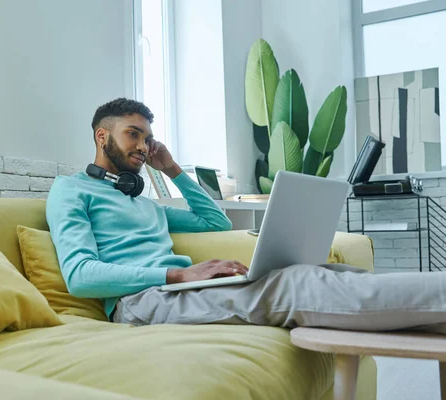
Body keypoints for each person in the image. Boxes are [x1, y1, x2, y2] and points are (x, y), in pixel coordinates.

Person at [46, 98, 446, 332]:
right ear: (103, 136)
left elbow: (214, 222)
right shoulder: (71, 190)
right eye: (133, 133)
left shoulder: (143, 202)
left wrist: (172, 170)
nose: (143, 145)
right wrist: (178, 274)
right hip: (138, 304)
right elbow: (81, 276)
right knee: (294, 285)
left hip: (175, 292)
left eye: (147, 138)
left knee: (326, 272)